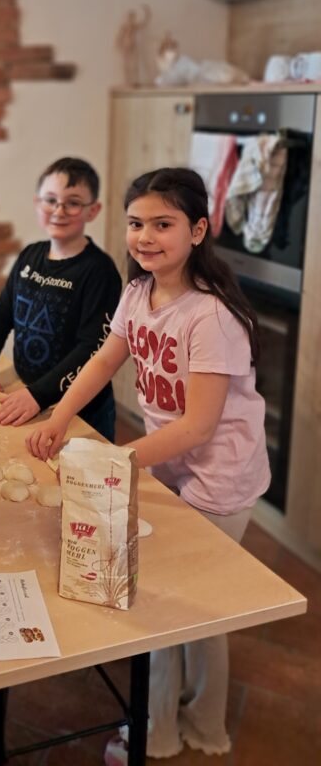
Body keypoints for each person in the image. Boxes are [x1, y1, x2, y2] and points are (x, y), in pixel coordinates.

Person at [27, 167, 270, 763]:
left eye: (163, 224)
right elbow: (104, 360)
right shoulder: (138, 292)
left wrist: (117, 460)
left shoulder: (209, 316)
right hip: (173, 464)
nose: (145, 237)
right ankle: (200, 720)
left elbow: (199, 426)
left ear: (198, 230)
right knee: (199, 605)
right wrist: (59, 415)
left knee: (171, 604)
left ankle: (160, 733)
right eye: (136, 223)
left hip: (219, 475)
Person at [0, 157, 122, 440]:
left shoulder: (99, 271)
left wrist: (39, 394)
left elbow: (92, 348)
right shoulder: (30, 255)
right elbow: (2, 312)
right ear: (37, 203)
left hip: (82, 408)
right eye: (50, 200)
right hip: (28, 393)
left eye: (73, 202)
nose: (59, 210)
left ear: (93, 210)